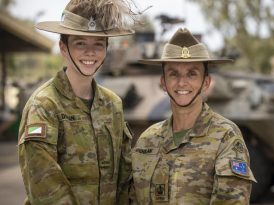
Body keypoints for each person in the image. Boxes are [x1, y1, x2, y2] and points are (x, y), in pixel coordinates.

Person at [17, 0, 138, 204]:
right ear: (64, 48)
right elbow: (44, 184)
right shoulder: (45, 105)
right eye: (80, 43)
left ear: (106, 49)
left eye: (98, 44)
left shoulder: (112, 104)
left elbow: (124, 176)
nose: (90, 52)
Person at [130, 28, 257, 204]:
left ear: (206, 82)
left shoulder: (225, 137)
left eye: (192, 73)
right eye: (173, 74)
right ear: (163, 83)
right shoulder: (147, 140)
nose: (182, 82)